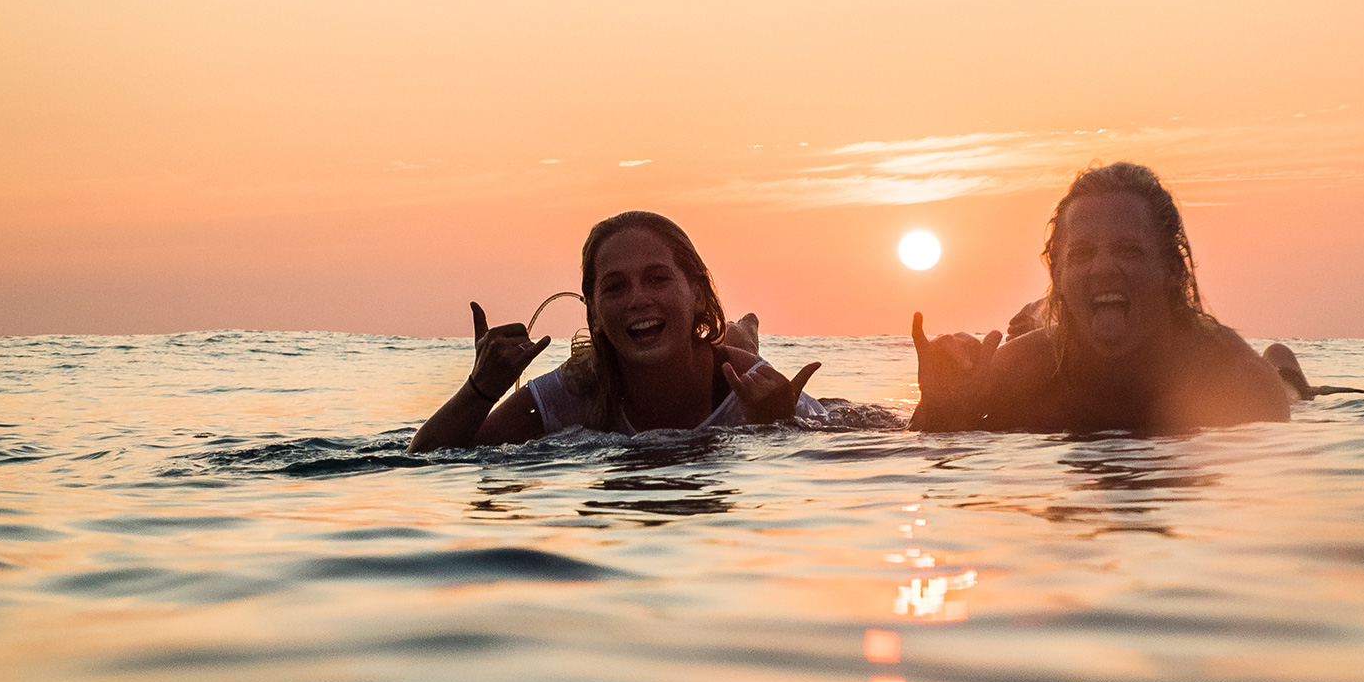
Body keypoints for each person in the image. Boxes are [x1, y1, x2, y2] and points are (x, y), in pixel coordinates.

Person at [910, 162, 1291, 434]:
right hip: (1049, 341)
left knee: (1292, 392)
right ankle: (1040, 316)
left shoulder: (1240, 382)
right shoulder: (1023, 369)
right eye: (1081, 254)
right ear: (1056, 275)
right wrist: (938, 406)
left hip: (1269, 379)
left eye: (1128, 251)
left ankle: (1285, 367)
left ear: (1172, 270)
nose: (1103, 267)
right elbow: (934, 455)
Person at [410, 211, 822, 451]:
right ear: (594, 316)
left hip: (725, 368)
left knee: (734, 353)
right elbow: (428, 459)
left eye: (658, 279)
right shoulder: (574, 391)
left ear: (697, 293)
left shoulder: (749, 387)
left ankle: (736, 338)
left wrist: (777, 426)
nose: (637, 299)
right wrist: (479, 389)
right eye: (615, 287)